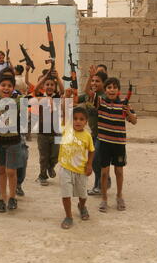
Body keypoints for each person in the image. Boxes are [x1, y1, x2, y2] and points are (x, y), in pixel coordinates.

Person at [0, 49, 25, 212]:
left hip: (13, 142)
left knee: (11, 171)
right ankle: (2, 198)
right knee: (1, 171)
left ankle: (12, 197)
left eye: (9, 86)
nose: (6, 88)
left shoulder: (18, 100)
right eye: (3, 85)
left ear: (13, 88)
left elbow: (29, 96)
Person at [97, 78, 137, 213]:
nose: (112, 90)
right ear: (105, 90)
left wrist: (128, 112)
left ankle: (119, 195)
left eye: (114, 87)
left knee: (119, 171)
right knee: (104, 173)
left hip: (119, 144)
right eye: (109, 87)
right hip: (104, 143)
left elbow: (134, 121)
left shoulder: (124, 105)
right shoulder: (101, 103)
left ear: (118, 90)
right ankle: (104, 198)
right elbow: (90, 95)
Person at [58, 107, 95, 229]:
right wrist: (65, 98)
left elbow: (91, 151)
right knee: (66, 194)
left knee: (83, 195)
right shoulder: (66, 130)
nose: (78, 121)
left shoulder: (87, 136)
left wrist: (89, 165)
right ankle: (68, 216)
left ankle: (82, 206)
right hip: (65, 168)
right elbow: (62, 113)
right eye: (75, 119)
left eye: (81, 119)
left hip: (81, 170)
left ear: (86, 121)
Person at [78, 68, 110, 195]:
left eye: (97, 81)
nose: (94, 83)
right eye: (93, 81)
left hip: (103, 134)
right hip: (93, 134)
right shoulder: (88, 95)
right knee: (96, 160)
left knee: (96, 159)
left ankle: (100, 184)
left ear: (104, 83)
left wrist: (89, 77)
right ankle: (103, 181)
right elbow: (77, 98)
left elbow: (88, 92)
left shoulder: (103, 97)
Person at [32, 70, 64, 186]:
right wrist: (45, 76)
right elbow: (35, 89)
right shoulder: (40, 97)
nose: (49, 86)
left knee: (56, 154)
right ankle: (42, 175)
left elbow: (63, 90)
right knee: (43, 156)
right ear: (44, 86)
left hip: (57, 132)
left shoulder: (57, 97)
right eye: (47, 84)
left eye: (52, 85)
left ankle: (51, 167)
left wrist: (58, 78)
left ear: (55, 87)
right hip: (42, 132)